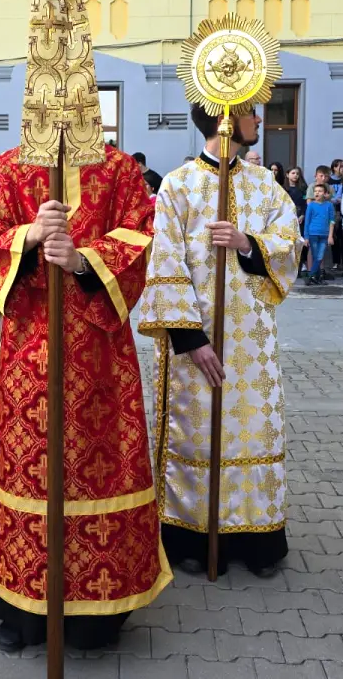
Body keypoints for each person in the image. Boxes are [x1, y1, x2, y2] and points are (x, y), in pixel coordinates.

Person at [0, 134, 168, 652]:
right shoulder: (11, 167)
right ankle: (21, 607)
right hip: (30, 348)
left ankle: (98, 615)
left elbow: (142, 234)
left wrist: (82, 261)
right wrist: (30, 236)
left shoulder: (119, 168)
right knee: (28, 465)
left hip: (101, 353)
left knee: (97, 464)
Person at [139, 103, 300, 578]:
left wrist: (248, 243)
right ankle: (190, 535)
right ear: (224, 117)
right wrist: (192, 339)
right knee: (194, 436)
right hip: (196, 344)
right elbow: (163, 263)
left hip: (251, 346)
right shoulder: (178, 185)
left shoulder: (265, 185)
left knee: (251, 431)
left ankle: (256, 540)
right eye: (252, 113)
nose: (259, 121)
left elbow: (289, 245)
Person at [303, 183, 335, 286]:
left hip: (324, 235)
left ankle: (311, 276)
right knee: (316, 256)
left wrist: (330, 236)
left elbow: (332, 221)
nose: (317, 193)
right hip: (313, 234)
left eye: (320, 191)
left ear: (325, 193)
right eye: (315, 191)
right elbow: (307, 222)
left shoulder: (329, 205)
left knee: (320, 257)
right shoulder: (311, 205)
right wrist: (306, 237)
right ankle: (316, 277)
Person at [328, 159, 343, 272]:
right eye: (340, 166)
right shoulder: (329, 180)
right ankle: (336, 262)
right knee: (334, 236)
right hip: (333, 210)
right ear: (334, 167)